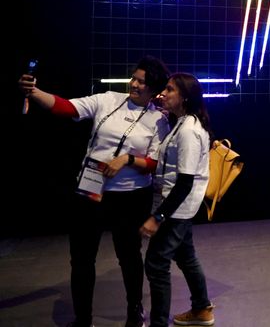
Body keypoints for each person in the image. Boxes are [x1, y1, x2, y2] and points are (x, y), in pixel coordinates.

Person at [18, 55, 171, 327]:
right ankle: (83, 317)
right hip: (90, 192)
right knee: (81, 259)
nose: (134, 84)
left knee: (129, 257)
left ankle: (134, 310)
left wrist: (128, 160)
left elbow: (155, 163)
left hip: (131, 196)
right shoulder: (108, 99)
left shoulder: (158, 120)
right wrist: (35, 92)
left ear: (154, 89)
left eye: (142, 82)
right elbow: (67, 108)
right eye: (133, 78)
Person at [140, 73, 215, 327]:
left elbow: (184, 182)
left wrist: (157, 217)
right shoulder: (182, 123)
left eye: (170, 90)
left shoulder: (189, 131)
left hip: (176, 209)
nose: (164, 93)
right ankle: (202, 309)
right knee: (186, 257)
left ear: (184, 97)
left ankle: (159, 323)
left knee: (156, 265)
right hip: (178, 206)